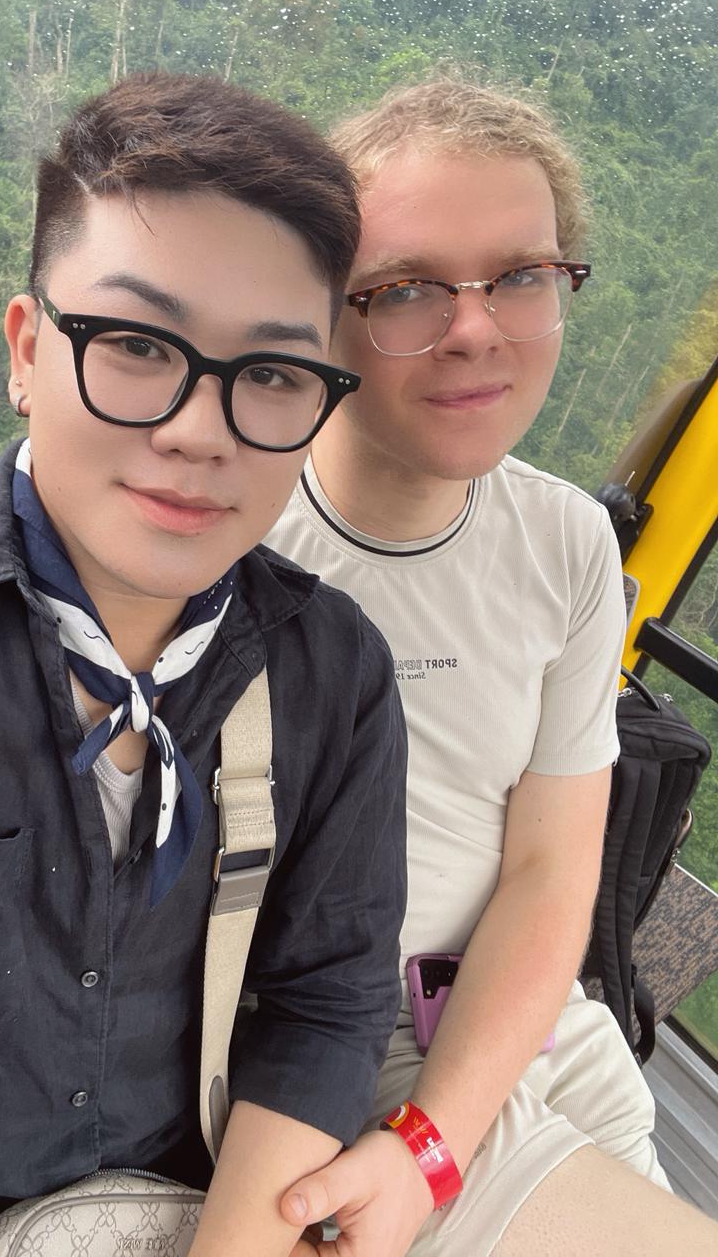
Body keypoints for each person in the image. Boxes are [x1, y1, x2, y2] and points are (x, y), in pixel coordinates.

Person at [0, 73, 408, 1257]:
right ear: (25, 350)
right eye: (135, 342)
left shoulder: (331, 675)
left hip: (151, 1216)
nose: (197, 429)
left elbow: (326, 999)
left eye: (269, 373)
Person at [266, 78, 718, 1255]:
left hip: (538, 1012)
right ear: (322, 312)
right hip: (346, 1036)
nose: (475, 329)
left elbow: (552, 876)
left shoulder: (565, 537)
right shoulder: (237, 532)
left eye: (520, 274)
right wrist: (426, 1140)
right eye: (407, 288)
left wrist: (442, 1133)